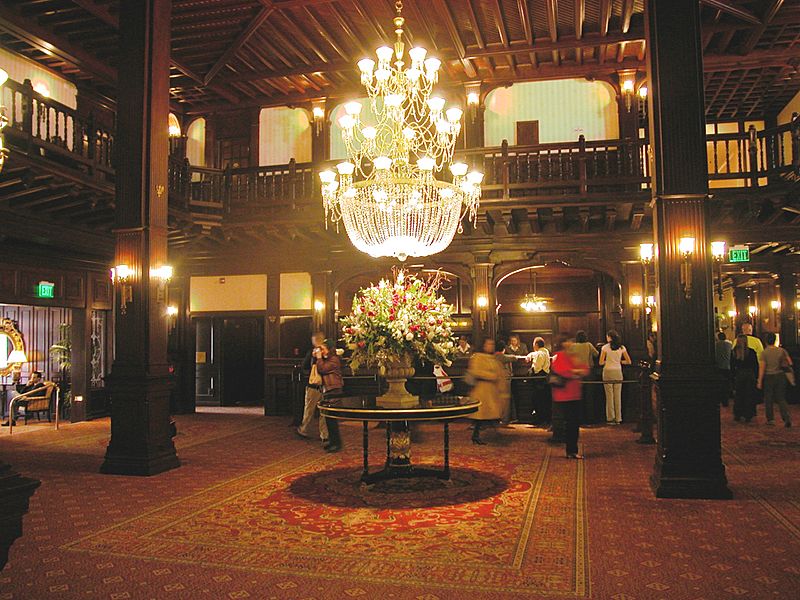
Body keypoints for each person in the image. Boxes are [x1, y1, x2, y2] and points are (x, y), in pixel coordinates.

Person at [550, 336, 590, 459]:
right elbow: (563, 371)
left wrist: (574, 371)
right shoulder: (559, 356)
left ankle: (572, 450)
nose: (570, 344)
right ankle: (569, 449)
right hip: (563, 395)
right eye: (567, 341)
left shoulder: (574, 356)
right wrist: (575, 372)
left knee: (574, 423)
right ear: (563, 343)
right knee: (567, 423)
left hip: (574, 394)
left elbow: (585, 369)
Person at [467, 338, 510, 444]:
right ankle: (476, 435)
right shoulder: (477, 357)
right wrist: (491, 376)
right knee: (481, 415)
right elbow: (476, 371)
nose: (490, 346)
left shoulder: (493, 358)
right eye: (488, 344)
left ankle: (483, 435)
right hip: (481, 391)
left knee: (490, 414)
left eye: (492, 344)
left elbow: (499, 372)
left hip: (492, 391)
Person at [296, 332, 328, 444]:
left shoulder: (312, 352)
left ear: (314, 341)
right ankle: (324, 434)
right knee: (324, 410)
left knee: (309, 408)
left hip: (313, 385)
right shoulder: (328, 352)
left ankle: (304, 429)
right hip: (325, 385)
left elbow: (304, 365)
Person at [758, 332, 793, 428]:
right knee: (781, 398)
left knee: (768, 398)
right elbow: (789, 362)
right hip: (780, 375)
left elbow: (762, 368)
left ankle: (771, 419)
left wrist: (760, 381)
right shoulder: (782, 350)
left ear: (765, 341)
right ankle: (786, 418)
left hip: (769, 376)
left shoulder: (764, 353)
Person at [316, 339, 345, 453]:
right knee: (328, 419)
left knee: (332, 419)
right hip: (329, 390)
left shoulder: (334, 360)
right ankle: (333, 442)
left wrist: (319, 358)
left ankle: (337, 444)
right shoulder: (328, 359)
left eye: (323, 348)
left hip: (334, 390)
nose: (321, 351)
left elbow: (322, 369)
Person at [599, 330, 631, 425]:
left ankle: (610, 418)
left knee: (609, 396)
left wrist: (607, 361)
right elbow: (629, 361)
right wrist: (620, 362)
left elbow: (601, 362)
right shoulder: (621, 348)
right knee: (618, 395)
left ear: (609, 337)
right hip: (617, 371)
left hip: (608, 371)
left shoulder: (605, 347)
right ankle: (618, 418)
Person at [730, 334, 758, 423]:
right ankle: (748, 415)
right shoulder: (751, 352)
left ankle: (738, 414)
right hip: (750, 375)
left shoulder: (734, 352)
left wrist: (733, 377)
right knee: (749, 395)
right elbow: (755, 365)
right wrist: (756, 376)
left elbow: (732, 366)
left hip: (739, 375)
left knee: (739, 395)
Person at [525, 337, 552, 426]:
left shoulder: (539, 354)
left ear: (536, 345)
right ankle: (546, 419)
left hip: (538, 381)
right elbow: (535, 353)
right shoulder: (546, 351)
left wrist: (529, 372)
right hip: (545, 379)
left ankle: (540, 419)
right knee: (545, 400)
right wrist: (530, 354)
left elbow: (536, 368)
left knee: (538, 400)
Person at [715, 331, 733, 407]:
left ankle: (720, 399)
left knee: (720, 384)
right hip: (728, 366)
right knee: (727, 384)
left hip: (719, 367)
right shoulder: (729, 344)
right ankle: (726, 400)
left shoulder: (716, 345)